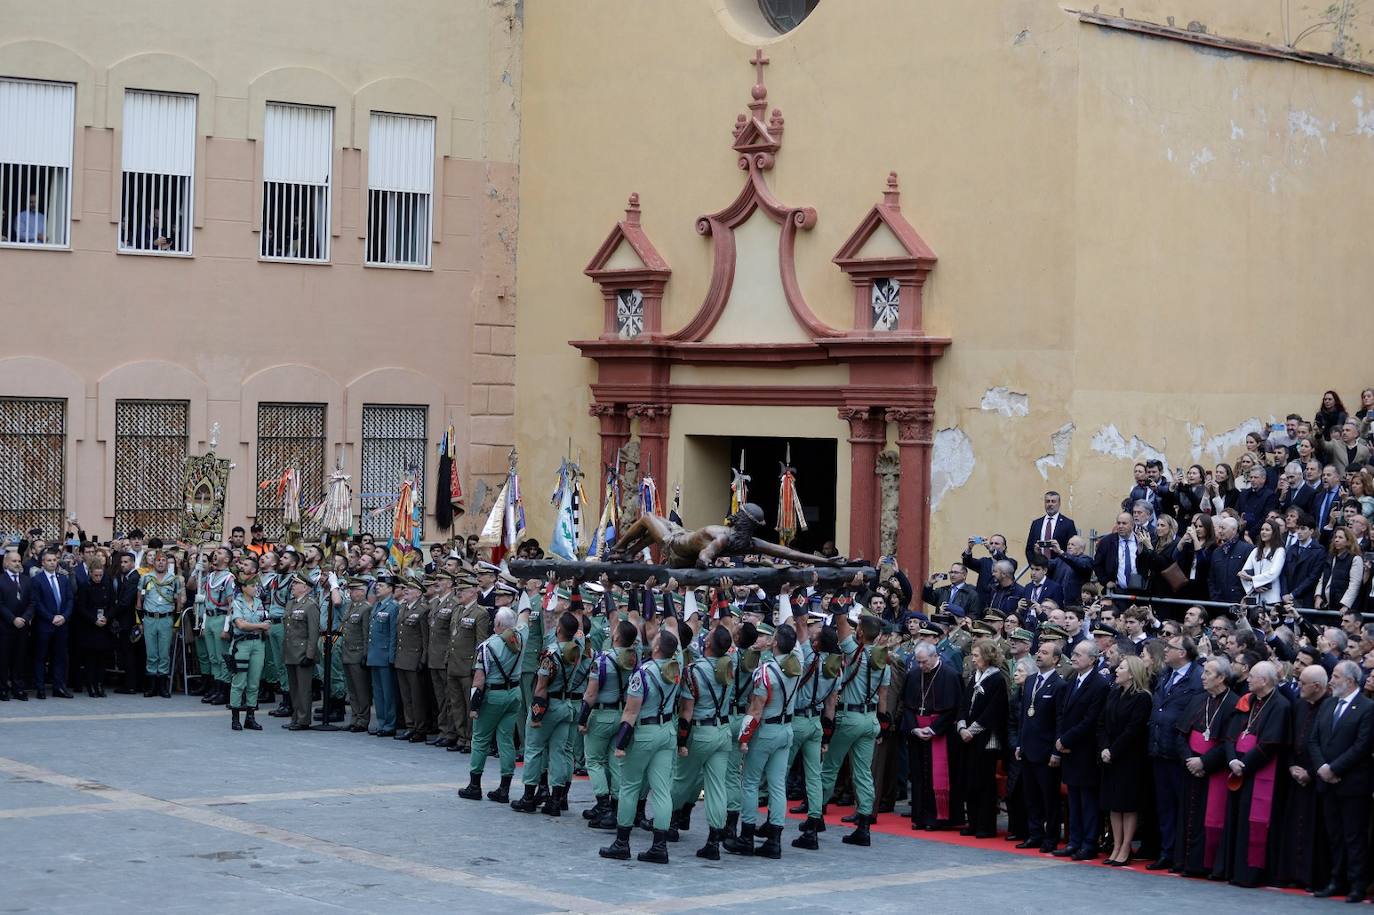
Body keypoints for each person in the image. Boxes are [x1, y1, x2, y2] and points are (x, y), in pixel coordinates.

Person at [599, 627, 682, 864]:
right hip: (667, 730)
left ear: (656, 648)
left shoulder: (643, 673)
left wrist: (621, 743)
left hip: (644, 732)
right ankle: (659, 845)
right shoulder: (675, 671)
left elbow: (631, 710)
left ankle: (622, 842)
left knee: (629, 786)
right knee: (662, 789)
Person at [728, 620, 803, 858]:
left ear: (777, 642)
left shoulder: (765, 671)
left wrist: (744, 737)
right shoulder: (796, 665)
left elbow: (756, 709)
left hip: (766, 730)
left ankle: (747, 836)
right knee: (777, 784)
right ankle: (775, 840)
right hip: (786, 728)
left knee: (749, 783)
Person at [1213, 660, 1290, 887]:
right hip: (1237, 768)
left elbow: (1270, 743)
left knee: (1254, 823)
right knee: (1235, 820)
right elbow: (1230, 736)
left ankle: (1250, 874)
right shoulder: (1248, 701)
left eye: (1252, 676)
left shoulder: (1281, 706)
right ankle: (1231, 870)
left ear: (1264, 681)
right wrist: (1232, 760)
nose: (1247, 679)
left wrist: (1244, 765)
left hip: (1258, 772)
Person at [819, 611, 891, 847]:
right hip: (871, 718)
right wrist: (881, 725)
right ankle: (864, 825)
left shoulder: (853, 651)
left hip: (849, 716)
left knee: (830, 766)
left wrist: (842, 604)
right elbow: (883, 699)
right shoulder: (884, 662)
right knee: (863, 773)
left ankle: (815, 816)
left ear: (860, 632)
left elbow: (840, 624)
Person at [1308, 660, 1374, 902]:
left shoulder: (1368, 708)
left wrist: (1334, 768)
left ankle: (1357, 884)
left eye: (1335, 676)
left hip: (1353, 783)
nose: (1331, 680)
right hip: (1327, 781)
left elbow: (1362, 745)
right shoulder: (1328, 705)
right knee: (1334, 835)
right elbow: (1314, 740)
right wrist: (1322, 767)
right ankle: (1336, 880)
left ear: (1349, 680)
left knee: (1354, 836)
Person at [513, 610, 586, 816]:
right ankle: (556, 800)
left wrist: (536, 716)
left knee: (534, 750)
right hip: (566, 705)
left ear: (560, 630)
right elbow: (579, 626)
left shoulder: (550, 654)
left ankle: (528, 797)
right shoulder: (577, 648)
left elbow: (541, 687)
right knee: (560, 753)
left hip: (549, 706)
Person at [1174, 656, 1240, 876]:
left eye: (1208, 673)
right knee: (1187, 816)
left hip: (1214, 771)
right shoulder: (1198, 699)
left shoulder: (1233, 703)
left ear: (1221, 678)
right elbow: (1180, 734)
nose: (1202, 677)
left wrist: (1204, 762)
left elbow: (1229, 742)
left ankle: (1205, 865)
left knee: (1209, 818)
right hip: (1190, 767)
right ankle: (1184, 862)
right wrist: (1189, 760)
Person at [459, 604, 530, 804]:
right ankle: (504, 788)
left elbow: (479, 680)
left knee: (480, 738)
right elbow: (524, 617)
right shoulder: (521, 637)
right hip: (514, 693)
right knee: (506, 739)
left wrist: (473, 707)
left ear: (498, 624)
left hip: (494, 695)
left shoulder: (488, 646)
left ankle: (474, 785)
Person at [786, 613, 841, 848]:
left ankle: (772, 823)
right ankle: (814, 822)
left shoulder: (809, 657)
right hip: (816, 722)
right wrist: (827, 735)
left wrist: (799, 604)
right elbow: (831, 705)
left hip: (797, 720)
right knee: (814, 775)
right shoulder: (835, 668)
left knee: (780, 772)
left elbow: (799, 627)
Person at [1276, 663, 1330, 890]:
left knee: (1314, 831)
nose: (1298, 686)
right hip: (1294, 775)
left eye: (1303, 683)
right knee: (1292, 826)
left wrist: (1309, 772)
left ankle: (1310, 877)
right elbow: (1289, 740)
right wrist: (1291, 766)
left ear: (1317, 686)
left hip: (1315, 777)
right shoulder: (1299, 705)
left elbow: (1327, 746)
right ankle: (1290, 873)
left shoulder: (1329, 708)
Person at [582, 616, 639, 830]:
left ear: (615, 636)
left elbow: (591, 693)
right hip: (623, 714)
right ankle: (615, 808)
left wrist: (582, 718)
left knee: (594, 761)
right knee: (615, 762)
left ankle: (603, 804)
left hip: (602, 714)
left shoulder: (602, 660)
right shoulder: (634, 658)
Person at [1053, 640, 1108, 860]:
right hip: (1069, 749)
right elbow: (1062, 714)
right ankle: (1074, 841)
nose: (1073, 657)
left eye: (1078, 654)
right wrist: (1060, 739)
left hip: (1085, 750)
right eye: (1073, 654)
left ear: (1093, 659)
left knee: (1088, 800)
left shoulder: (1099, 684)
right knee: (1073, 798)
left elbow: (1091, 720)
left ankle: (1089, 843)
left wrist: (1066, 739)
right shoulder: (1072, 679)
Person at [1098, 654, 1153, 865]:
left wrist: (1113, 750)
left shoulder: (1142, 697)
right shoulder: (1113, 693)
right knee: (1113, 803)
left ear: (1131, 673)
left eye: (1121, 668)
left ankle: (1125, 846)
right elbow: (1101, 723)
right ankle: (1116, 844)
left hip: (1129, 758)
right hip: (1109, 756)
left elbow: (1134, 730)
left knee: (1128, 805)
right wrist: (1104, 748)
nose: (1116, 671)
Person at [904, 641, 962, 832]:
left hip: (940, 734)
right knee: (919, 776)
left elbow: (953, 709)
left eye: (923, 662)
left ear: (935, 656)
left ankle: (939, 818)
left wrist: (933, 730)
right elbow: (907, 706)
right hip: (917, 734)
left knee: (937, 777)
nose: (921, 666)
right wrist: (914, 729)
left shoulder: (950, 675)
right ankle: (920, 817)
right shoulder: (913, 675)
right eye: (918, 662)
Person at [1016, 639, 1065, 852]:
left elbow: (1059, 721)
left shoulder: (1060, 685)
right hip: (1027, 747)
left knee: (1049, 798)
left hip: (1046, 751)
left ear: (1055, 659)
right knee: (1031, 796)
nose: (1039, 655)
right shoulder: (1030, 680)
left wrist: (1056, 751)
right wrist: (1019, 743)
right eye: (1039, 651)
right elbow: (1023, 716)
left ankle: (1050, 837)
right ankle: (1034, 834)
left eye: (1045, 653)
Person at [957, 638, 1008, 839]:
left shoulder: (997, 679)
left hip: (986, 739)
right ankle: (973, 821)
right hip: (967, 737)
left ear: (987, 656)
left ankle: (985, 825)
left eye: (977, 655)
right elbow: (964, 702)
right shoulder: (975, 676)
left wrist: (973, 730)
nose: (974, 659)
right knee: (970, 781)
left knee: (984, 783)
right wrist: (961, 726)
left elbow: (994, 711)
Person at [447, 574, 489, 753]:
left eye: (463, 590)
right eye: (459, 590)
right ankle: (461, 735)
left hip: (467, 665)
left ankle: (471, 739)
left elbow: (481, 642)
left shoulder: (480, 613)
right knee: (456, 703)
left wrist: (476, 667)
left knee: (469, 704)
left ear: (473, 592)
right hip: (453, 663)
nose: (459, 593)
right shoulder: (457, 609)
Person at [137, 551, 183, 699]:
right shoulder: (145, 578)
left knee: (164, 654)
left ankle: (162, 687)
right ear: (153, 562)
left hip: (166, 619)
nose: (161, 562)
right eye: (158, 560)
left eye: (163, 560)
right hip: (149, 619)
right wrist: (139, 622)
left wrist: (176, 623)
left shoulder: (174, 580)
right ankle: (151, 687)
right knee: (151, 653)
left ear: (167, 563)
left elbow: (178, 603)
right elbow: (139, 601)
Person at [226, 576, 269, 732]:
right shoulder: (237, 602)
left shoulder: (259, 603)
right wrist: (259, 626)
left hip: (258, 644)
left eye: (256, 585)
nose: (255, 588)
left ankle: (250, 717)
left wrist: (260, 626)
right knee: (239, 682)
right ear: (243, 587)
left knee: (254, 682)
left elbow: (268, 623)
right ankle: (235, 718)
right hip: (241, 644)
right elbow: (240, 624)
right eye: (252, 585)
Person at [30, 548, 74, 699]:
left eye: (54, 560)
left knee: (60, 657)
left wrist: (64, 616)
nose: (52, 563)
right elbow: (36, 603)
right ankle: (40, 687)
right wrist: (51, 617)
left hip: (62, 624)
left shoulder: (63, 579)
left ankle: (59, 687)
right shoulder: (36, 580)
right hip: (44, 625)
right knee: (41, 657)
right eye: (49, 560)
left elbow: (70, 600)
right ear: (43, 563)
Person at [280, 572, 320, 731]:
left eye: (296, 584)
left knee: (304, 689)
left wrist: (310, 655)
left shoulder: (310, 605)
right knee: (294, 688)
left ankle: (303, 719)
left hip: (303, 652)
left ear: (305, 588)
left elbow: (313, 632)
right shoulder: (291, 604)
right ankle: (295, 717)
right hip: (291, 651)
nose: (293, 586)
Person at [393, 576, 431, 741]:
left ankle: (420, 728)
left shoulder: (423, 610)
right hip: (402, 658)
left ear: (419, 593)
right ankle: (410, 725)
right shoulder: (403, 608)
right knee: (406, 697)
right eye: (405, 588)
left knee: (417, 698)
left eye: (410, 588)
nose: (406, 590)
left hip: (414, 659)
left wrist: (423, 659)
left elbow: (425, 638)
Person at [198, 548, 236, 706]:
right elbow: (206, 600)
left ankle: (224, 690)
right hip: (210, 618)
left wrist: (227, 628)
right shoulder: (211, 576)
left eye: (220, 553)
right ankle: (216, 687)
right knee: (213, 657)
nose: (216, 555)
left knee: (222, 657)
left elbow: (231, 604)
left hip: (221, 618)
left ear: (227, 560)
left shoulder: (229, 578)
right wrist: (204, 624)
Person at [73, 559, 115, 698]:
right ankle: (91, 685)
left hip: (104, 625)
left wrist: (107, 618)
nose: (98, 578)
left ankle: (99, 684)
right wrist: (93, 619)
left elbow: (112, 605)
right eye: (95, 575)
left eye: (100, 575)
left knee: (102, 658)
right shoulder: (85, 586)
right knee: (90, 658)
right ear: (90, 573)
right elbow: (81, 607)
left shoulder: (107, 585)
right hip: (90, 626)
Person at [337, 576, 373, 733]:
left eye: (353, 590)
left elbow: (366, 634)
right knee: (352, 690)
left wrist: (365, 654)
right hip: (347, 653)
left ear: (361, 592)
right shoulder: (351, 607)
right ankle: (355, 717)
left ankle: (363, 720)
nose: (350, 593)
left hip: (358, 653)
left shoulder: (365, 608)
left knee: (361, 689)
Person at [366, 574, 399, 737]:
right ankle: (381, 722)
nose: (377, 587)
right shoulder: (377, 606)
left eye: (382, 586)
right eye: (377, 586)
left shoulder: (393, 607)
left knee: (388, 693)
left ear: (391, 589)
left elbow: (393, 634)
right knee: (378, 693)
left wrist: (392, 657)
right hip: (375, 655)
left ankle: (390, 724)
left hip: (385, 656)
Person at [0, 550, 33, 700]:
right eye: (14, 561)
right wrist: (13, 619)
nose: (18, 563)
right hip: (5, 627)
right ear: (6, 563)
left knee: (20, 658)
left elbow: (32, 602)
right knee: (4, 659)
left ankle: (18, 687)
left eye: (19, 561)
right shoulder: (1, 580)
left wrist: (25, 618)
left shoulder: (26, 580)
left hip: (22, 626)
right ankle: (2, 688)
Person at [1316, 527, 1363, 612]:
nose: (1336, 540)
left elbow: (1354, 585)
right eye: (1335, 537)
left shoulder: (1355, 559)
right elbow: (1322, 578)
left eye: (1340, 537)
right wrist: (1318, 596)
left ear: (1348, 541)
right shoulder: (1330, 557)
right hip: (1326, 605)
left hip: (1342, 607)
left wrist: (1346, 605)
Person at [1025, 490, 1078, 564]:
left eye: (1053, 501)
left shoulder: (1068, 524)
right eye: (1047, 501)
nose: (1050, 504)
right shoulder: (1036, 523)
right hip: (1041, 568)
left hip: (1060, 568)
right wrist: (1034, 565)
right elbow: (1029, 548)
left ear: (1059, 504)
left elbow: (1073, 548)